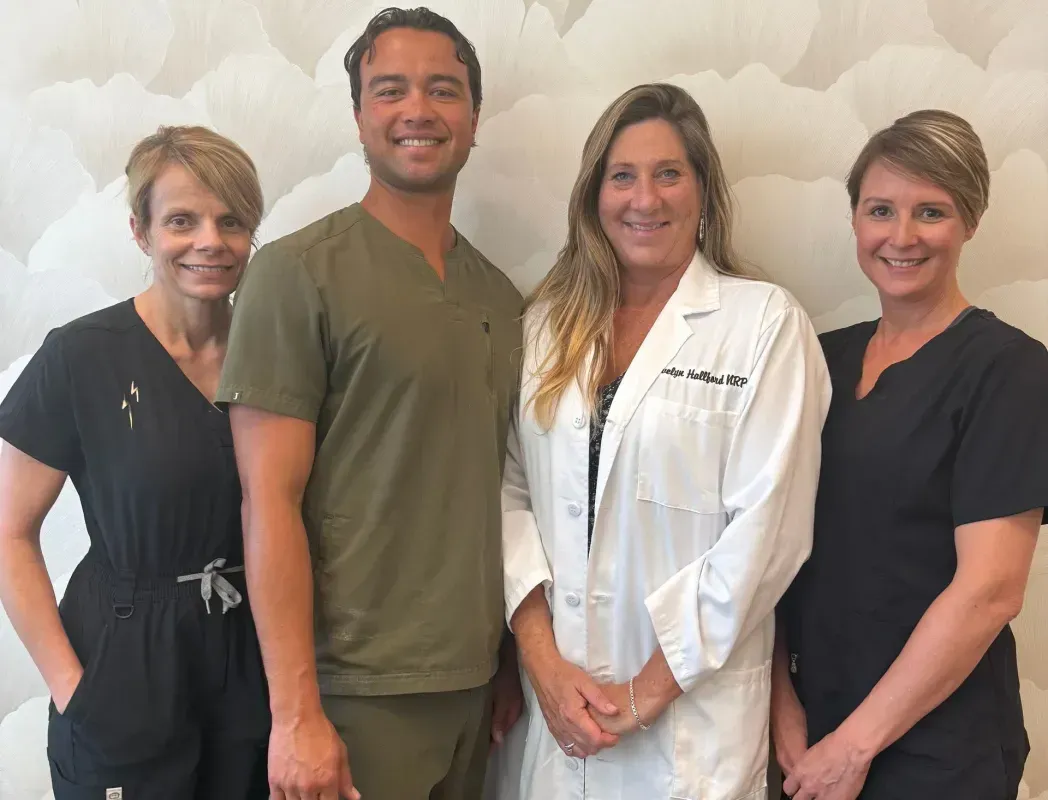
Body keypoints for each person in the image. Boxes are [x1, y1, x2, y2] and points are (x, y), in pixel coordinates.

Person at [215, 7, 524, 800]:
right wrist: (296, 715)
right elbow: (268, 500)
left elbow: (496, 491)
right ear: (359, 114)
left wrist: (498, 664)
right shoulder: (296, 274)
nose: (418, 109)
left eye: (443, 90)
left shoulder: (501, 295)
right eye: (390, 90)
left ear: (474, 118)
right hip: (351, 694)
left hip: (472, 687)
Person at [501, 82, 831, 800]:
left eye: (668, 173)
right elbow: (510, 493)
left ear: (704, 191)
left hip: (690, 731)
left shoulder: (764, 326)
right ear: (594, 195)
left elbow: (767, 537)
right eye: (622, 176)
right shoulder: (548, 326)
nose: (643, 198)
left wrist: (643, 694)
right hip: (559, 718)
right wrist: (544, 667)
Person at [773, 110, 1048, 800]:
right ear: (856, 220)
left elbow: (990, 592)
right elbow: (767, 547)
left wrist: (854, 746)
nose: (901, 236)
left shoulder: (1009, 371)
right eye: (880, 210)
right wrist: (780, 709)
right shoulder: (817, 360)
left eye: (931, 212)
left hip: (937, 752)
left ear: (970, 222)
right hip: (808, 732)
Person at [0, 126, 270, 798]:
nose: (210, 239)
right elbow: (8, 532)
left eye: (231, 220)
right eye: (182, 220)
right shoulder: (81, 357)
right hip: (122, 659)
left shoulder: (280, 355)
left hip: (252, 657)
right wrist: (73, 689)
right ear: (141, 232)